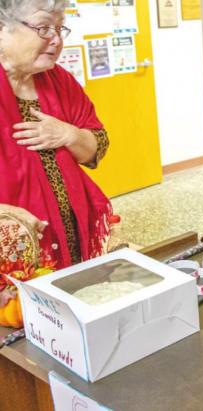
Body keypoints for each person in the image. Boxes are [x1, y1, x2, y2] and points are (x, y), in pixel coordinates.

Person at [0, 0, 112, 269]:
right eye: (43, 28)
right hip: (12, 249)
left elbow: (97, 147)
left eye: (60, 28)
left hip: (70, 236)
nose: (57, 39)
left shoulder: (59, 80)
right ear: (3, 28)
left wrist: (69, 134)